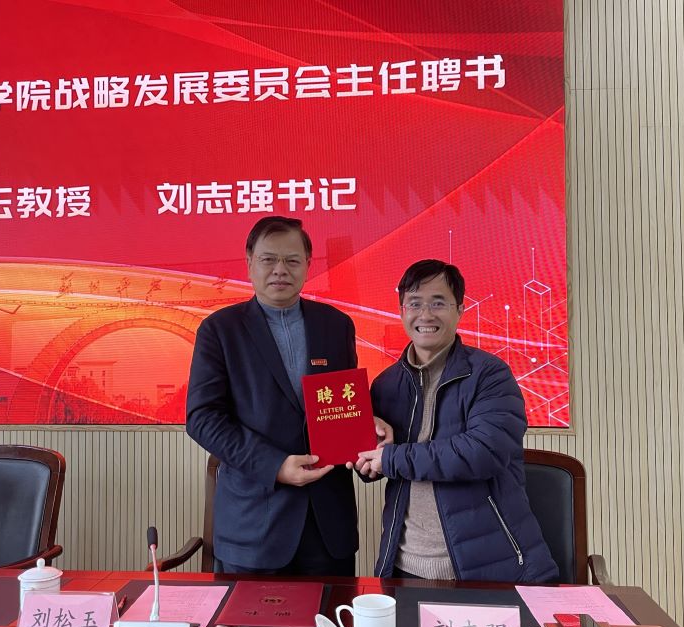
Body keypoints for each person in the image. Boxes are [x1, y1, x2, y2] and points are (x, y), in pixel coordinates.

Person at [186, 215, 390, 576]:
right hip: (254, 528)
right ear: (250, 263)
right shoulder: (220, 330)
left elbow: (341, 403)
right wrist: (274, 466)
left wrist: (365, 426)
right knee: (247, 616)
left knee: (332, 615)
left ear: (308, 265)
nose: (280, 269)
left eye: (292, 260)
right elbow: (203, 419)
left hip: (328, 528)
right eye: (268, 259)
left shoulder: (335, 325)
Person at [354, 259, 559, 582]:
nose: (425, 315)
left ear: (460, 310)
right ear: (402, 311)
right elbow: (379, 461)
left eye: (438, 303)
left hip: (486, 569)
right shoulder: (386, 384)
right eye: (415, 304)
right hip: (405, 564)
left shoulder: (490, 374)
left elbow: (484, 452)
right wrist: (365, 454)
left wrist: (391, 458)